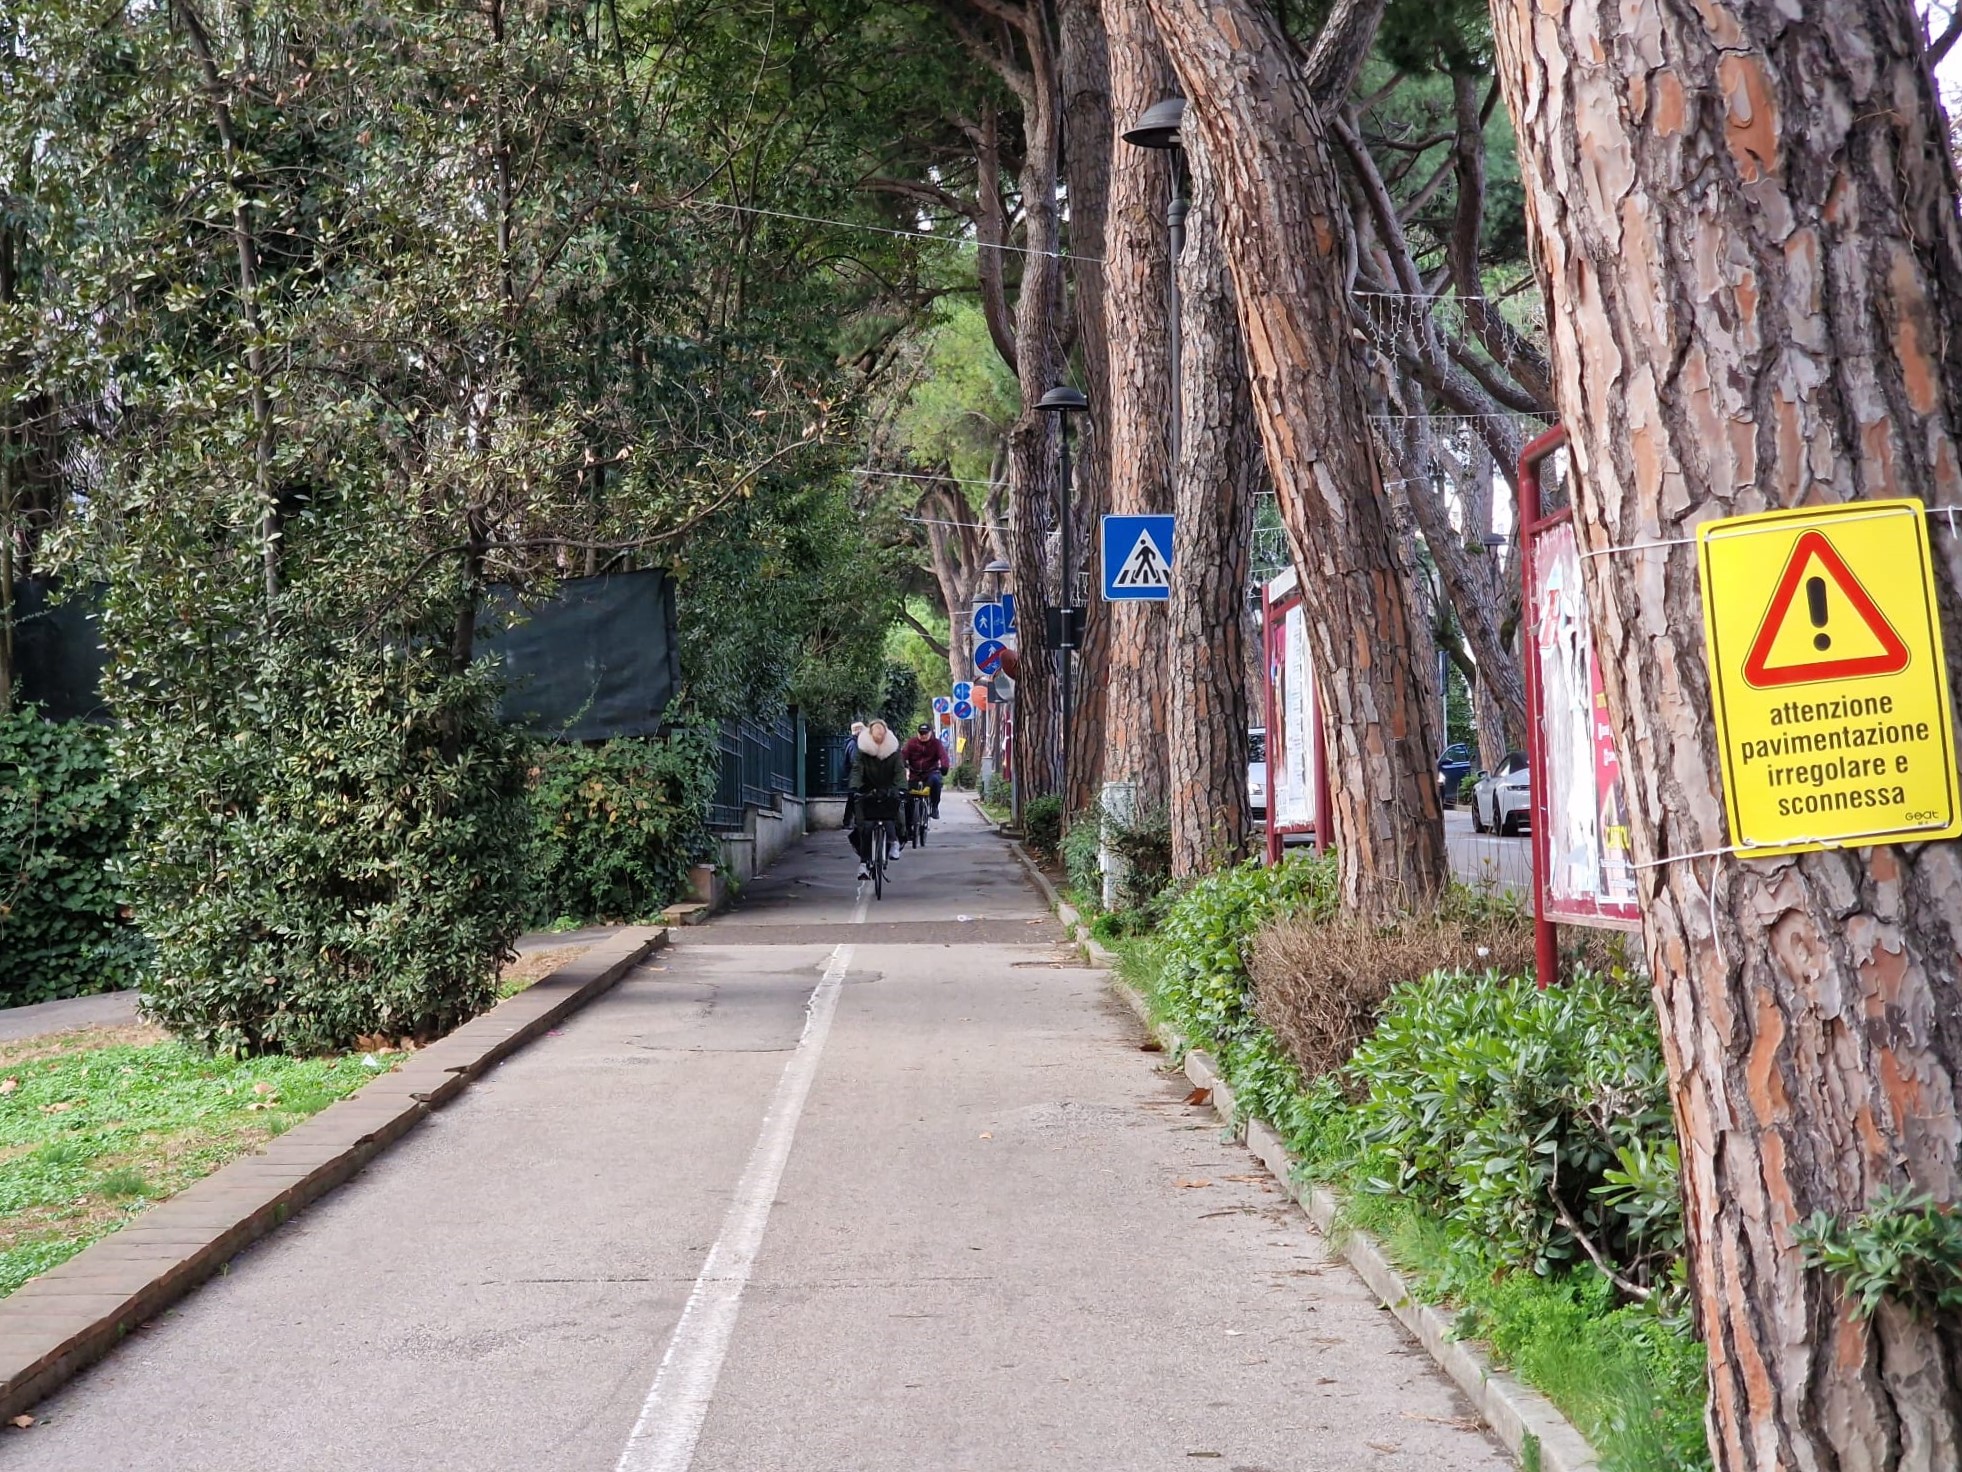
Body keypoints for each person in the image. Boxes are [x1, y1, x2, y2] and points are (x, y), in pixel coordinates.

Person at [845, 719, 906, 878]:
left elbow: (899, 771)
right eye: (876, 734)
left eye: (881, 734)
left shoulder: (893, 750)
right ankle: (864, 864)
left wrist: (901, 788)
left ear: (885, 734)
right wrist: (855, 787)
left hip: (888, 788)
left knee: (892, 815)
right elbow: (857, 769)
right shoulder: (862, 750)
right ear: (871, 734)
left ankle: (894, 843)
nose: (879, 737)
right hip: (867, 789)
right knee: (865, 825)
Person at [902, 723, 950, 820]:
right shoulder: (911, 743)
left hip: (931, 772)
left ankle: (935, 807)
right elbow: (903, 754)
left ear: (930, 733)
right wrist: (902, 764)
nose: (923, 736)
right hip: (914, 773)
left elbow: (943, 756)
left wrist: (944, 766)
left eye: (925, 733)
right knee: (907, 795)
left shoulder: (936, 743)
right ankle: (909, 823)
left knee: (936, 782)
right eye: (921, 733)